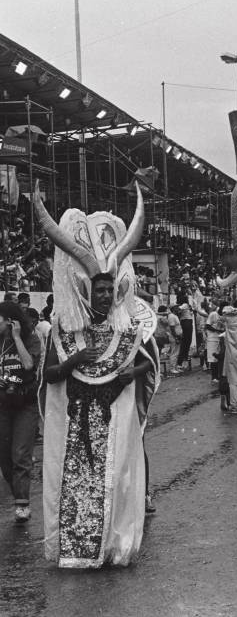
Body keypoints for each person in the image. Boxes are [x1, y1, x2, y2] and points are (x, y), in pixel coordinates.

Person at [36, 187, 160, 568]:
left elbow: (150, 363)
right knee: (74, 485)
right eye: (99, 289)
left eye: (109, 289)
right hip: (75, 425)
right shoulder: (64, 328)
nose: (105, 295)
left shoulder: (127, 327)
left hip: (114, 421)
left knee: (116, 480)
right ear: (87, 289)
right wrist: (76, 360)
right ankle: (75, 552)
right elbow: (49, 376)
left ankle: (111, 549)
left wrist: (130, 374)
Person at [0, 302, 41, 523]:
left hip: (25, 404)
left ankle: (22, 504)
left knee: (20, 454)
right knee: (5, 458)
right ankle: (19, 495)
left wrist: (16, 338)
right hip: (3, 405)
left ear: (10, 321)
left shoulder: (30, 339)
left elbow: (28, 365)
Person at [205, 301, 227, 383]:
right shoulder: (213, 314)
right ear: (221, 307)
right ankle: (214, 377)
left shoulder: (225, 316)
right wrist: (218, 330)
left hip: (222, 339)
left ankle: (219, 375)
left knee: (220, 358)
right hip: (212, 338)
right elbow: (207, 325)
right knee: (213, 358)